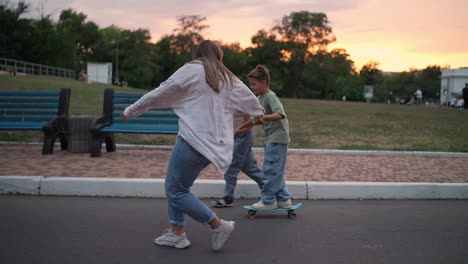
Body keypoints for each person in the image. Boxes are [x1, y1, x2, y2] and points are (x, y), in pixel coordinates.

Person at [121, 40, 264, 251]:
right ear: (219, 56)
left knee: (175, 190)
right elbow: (253, 105)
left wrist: (130, 111)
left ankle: (218, 225)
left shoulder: (190, 70)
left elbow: (159, 92)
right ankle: (177, 233)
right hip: (213, 146)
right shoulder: (227, 77)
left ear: (198, 54)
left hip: (192, 141)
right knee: (178, 185)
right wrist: (250, 114)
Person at [239, 65, 292, 209]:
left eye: (254, 84)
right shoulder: (260, 98)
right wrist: (239, 129)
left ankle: (268, 201)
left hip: (277, 137)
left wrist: (265, 118)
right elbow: (256, 119)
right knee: (276, 169)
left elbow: (280, 114)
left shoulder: (270, 96)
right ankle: (284, 199)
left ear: (264, 82)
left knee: (270, 170)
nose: (252, 87)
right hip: (272, 138)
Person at [210, 112, 265, 208]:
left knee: (231, 168)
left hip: (242, 138)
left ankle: (228, 198)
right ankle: (271, 191)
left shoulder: (239, 100)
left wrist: (238, 132)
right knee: (250, 168)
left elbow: (250, 123)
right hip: (237, 137)